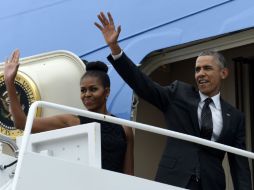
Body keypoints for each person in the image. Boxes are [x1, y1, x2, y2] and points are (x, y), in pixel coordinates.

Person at [94, 12, 252, 189]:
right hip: (173, 180)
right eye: (197, 69)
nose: (201, 74)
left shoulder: (236, 117)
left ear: (223, 73)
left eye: (207, 68)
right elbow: (143, 84)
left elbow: (240, 167)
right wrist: (116, 50)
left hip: (211, 184)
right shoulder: (179, 93)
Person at [4, 49, 134, 175]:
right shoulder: (72, 121)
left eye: (93, 89)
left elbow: (129, 176)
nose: (87, 94)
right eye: (83, 90)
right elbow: (22, 123)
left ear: (107, 92)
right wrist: (10, 82)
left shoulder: (124, 128)